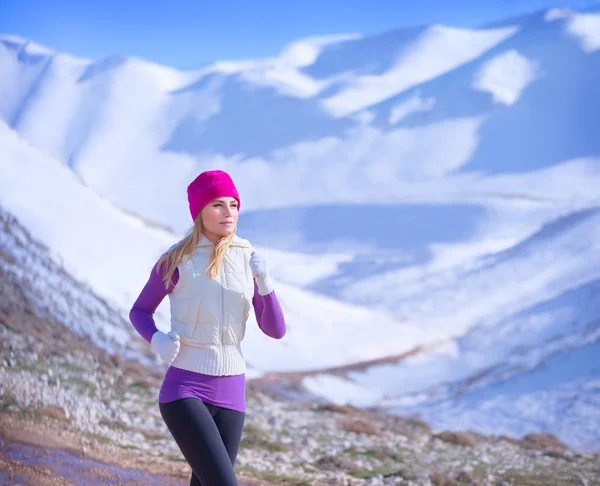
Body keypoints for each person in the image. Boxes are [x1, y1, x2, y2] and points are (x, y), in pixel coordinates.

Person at [129, 170, 286, 486]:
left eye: (233, 204)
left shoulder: (247, 257)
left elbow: (275, 330)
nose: (228, 213)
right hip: (185, 390)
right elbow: (140, 311)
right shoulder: (177, 259)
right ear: (200, 211)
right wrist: (157, 340)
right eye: (217, 205)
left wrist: (265, 283)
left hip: (232, 393)